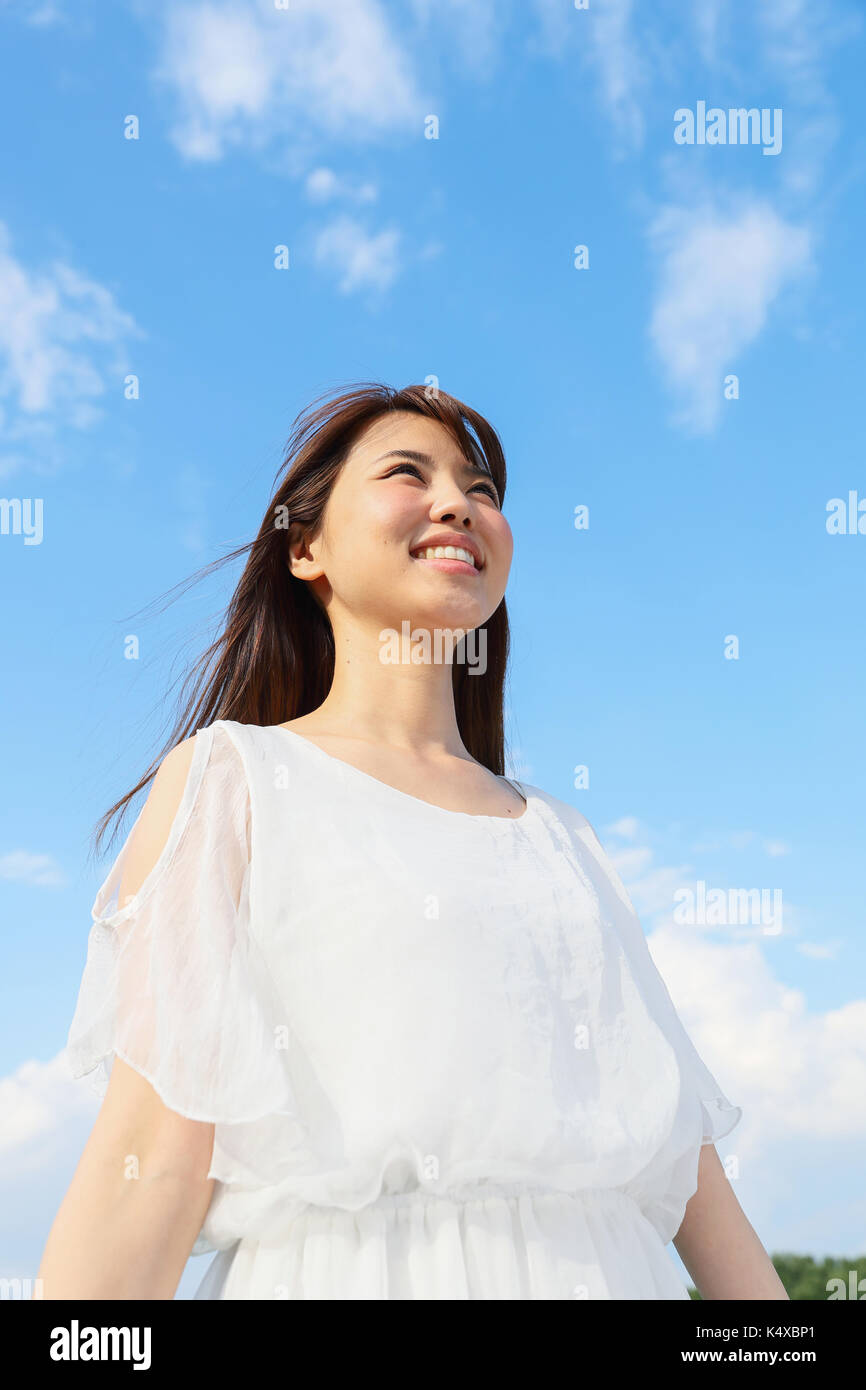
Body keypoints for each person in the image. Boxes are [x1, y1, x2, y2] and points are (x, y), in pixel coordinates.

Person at [36, 382, 788, 1300]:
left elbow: (687, 1174)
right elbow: (151, 1156)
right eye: (408, 472)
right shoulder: (234, 780)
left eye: (481, 491)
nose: (458, 505)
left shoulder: (561, 834)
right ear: (305, 547)